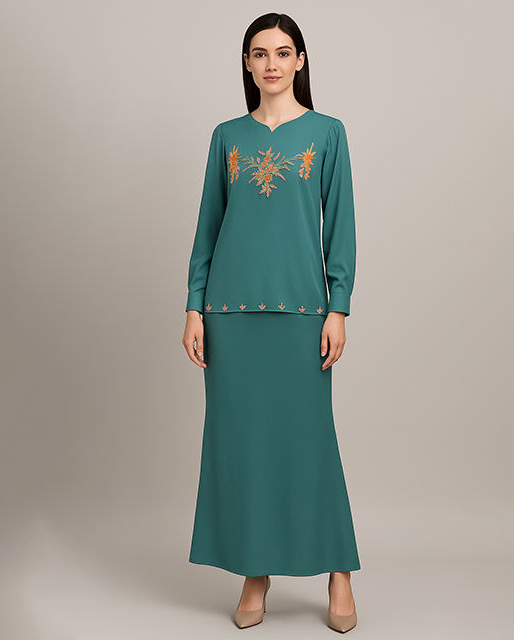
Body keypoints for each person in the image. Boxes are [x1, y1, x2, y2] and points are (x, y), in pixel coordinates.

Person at [182, 12, 360, 633]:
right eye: (260, 53)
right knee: (244, 448)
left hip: (301, 314)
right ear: (247, 64)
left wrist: (339, 307)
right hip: (230, 316)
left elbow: (340, 225)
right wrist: (194, 305)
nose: (272, 64)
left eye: (283, 52)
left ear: (300, 60)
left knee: (311, 446)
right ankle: (255, 572)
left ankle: (339, 568)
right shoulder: (226, 137)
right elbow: (207, 227)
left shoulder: (327, 133)